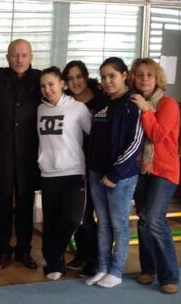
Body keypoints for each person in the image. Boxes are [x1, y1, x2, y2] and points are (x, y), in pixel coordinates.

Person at [85, 57, 143, 288]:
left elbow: (135, 143)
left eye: (112, 76)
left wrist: (116, 174)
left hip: (121, 176)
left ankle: (117, 271)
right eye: (104, 77)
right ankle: (103, 267)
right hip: (97, 173)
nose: (108, 81)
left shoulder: (133, 103)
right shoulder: (101, 103)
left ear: (124, 75)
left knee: (119, 224)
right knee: (104, 223)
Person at [0, 39, 40, 270]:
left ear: (31, 57)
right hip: (4, 153)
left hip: (30, 154)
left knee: (26, 206)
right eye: (15, 55)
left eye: (24, 55)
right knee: (2, 204)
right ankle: (3, 250)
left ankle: (24, 250)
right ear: (8, 57)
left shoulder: (40, 78)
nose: (20, 59)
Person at [130, 58, 180, 294]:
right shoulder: (136, 102)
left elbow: (158, 136)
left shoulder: (167, 104)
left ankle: (169, 276)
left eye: (149, 75)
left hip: (165, 170)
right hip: (142, 169)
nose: (144, 79)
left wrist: (146, 111)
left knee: (154, 218)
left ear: (157, 77)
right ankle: (148, 270)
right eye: (139, 75)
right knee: (143, 218)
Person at [37, 66, 92, 280]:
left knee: (72, 218)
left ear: (62, 84)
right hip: (48, 174)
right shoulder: (40, 109)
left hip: (74, 172)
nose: (48, 89)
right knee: (50, 221)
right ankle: (54, 264)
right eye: (43, 86)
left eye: (51, 84)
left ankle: (51, 254)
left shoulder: (78, 108)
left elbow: (94, 136)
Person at [61, 60, 104, 276]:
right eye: (70, 78)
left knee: (89, 216)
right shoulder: (65, 101)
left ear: (86, 77)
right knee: (77, 214)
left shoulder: (101, 100)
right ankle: (82, 254)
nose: (75, 81)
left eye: (79, 77)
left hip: (96, 165)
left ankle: (94, 258)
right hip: (72, 165)